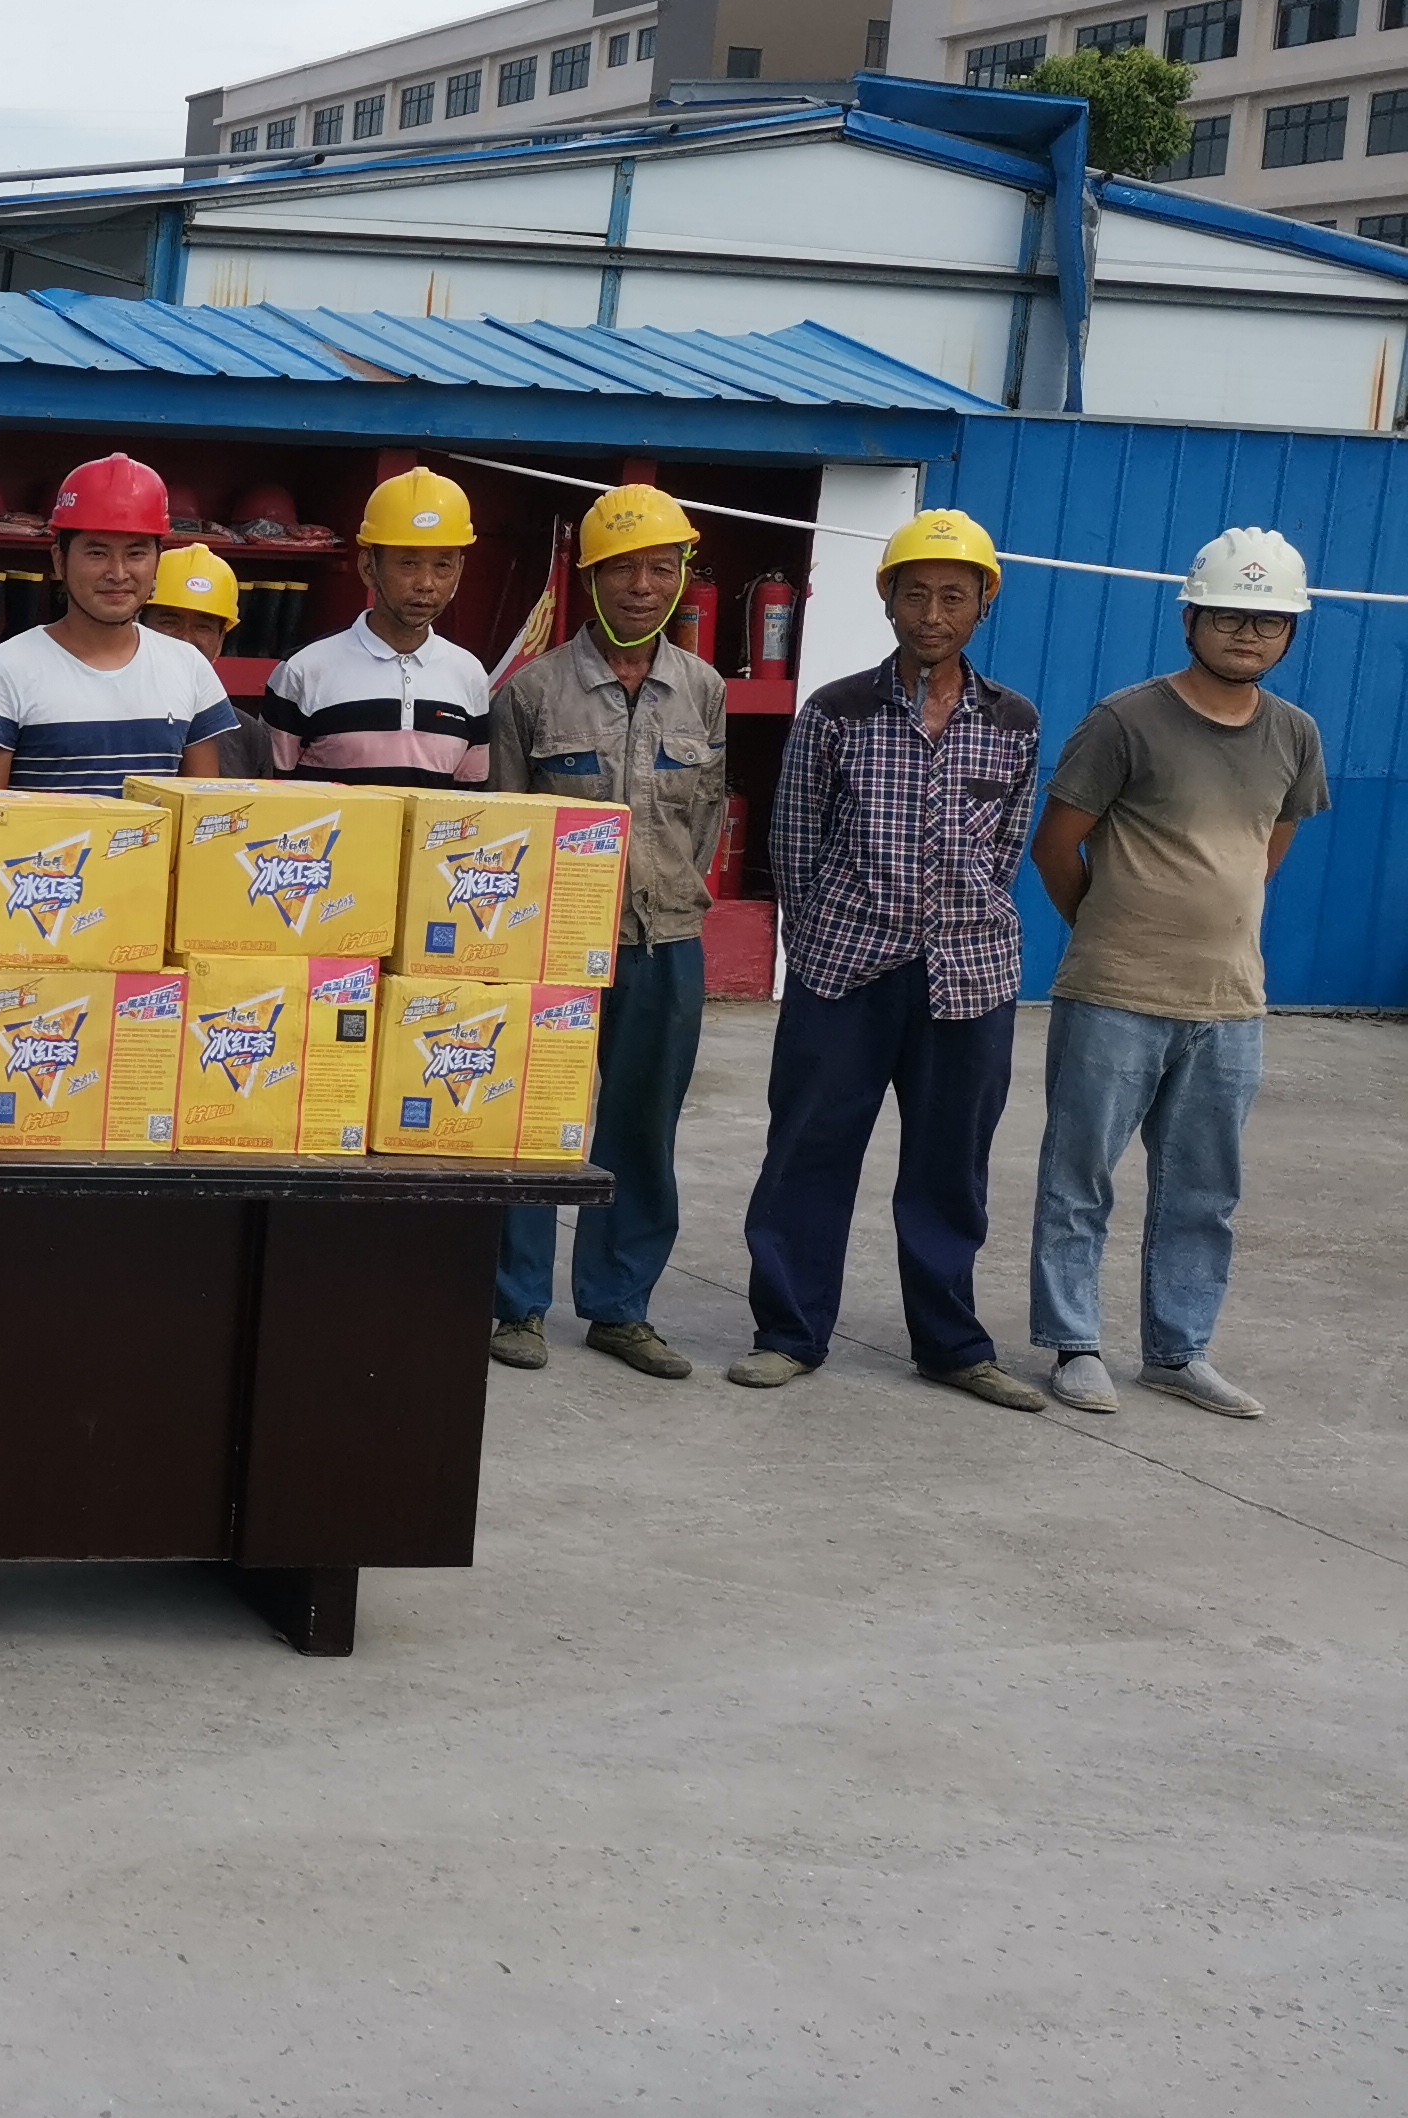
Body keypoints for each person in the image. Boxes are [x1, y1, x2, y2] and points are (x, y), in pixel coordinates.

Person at [733, 509, 1046, 1411]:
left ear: (984, 603)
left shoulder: (1013, 721)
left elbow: (1007, 848)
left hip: (969, 976)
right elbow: (795, 841)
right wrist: (819, 946)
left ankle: (951, 1345)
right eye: (915, 595)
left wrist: (958, 922)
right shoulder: (837, 712)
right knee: (808, 1152)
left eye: (953, 596)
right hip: (845, 973)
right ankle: (789, 1333)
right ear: (888, 601)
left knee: (951, 1167)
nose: (932, 614)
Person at [1024, 527, 1329, 1419]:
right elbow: (1055, 848)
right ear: (1190, 618)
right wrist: (1114, 929)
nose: (1247, 634)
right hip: (1114, 994)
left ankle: (1178, 1350)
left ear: (1290, 633)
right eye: (1228, 615)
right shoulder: (1125, 721)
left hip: (1229, 1003)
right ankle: (1074, 1344)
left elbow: (1267, 852)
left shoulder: (1295, 735)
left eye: (1268, 621)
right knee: (1080, 1177)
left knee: (1204, 1192)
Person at [487, 483, 726, 1380]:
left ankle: (621, 1308)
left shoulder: (702, 690)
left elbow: (706, 818)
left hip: (665, 944)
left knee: (641, 1128)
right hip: (549, 948)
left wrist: (670, 897)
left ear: (682, 577)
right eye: (622, 570)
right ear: (587, 579)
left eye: (661, 569)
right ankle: (516, 1305)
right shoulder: (532, 693)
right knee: (533, 1124)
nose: (642, 587)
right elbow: (504, 824)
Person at [0, 455, 237, 794]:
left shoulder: (190, 669)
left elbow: (200, 813)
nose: (118, 573)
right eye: (97, 553)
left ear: (157, 561)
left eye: (136, 553)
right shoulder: (3, 672)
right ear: (59, 560)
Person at [263, 467, 492, 786]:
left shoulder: (470, 676)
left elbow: (470, 800)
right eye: (409, 563)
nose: (426, 584)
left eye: (443, 565)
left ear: (459, 570)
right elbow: (268, 791)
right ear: (368, 567)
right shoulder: (303, 671)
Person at [137, 542, 265, 777]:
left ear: (220, 641)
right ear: (138, 625)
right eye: (169, 621)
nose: (186, 637)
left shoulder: (246, 734)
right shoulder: (112, 717)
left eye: (203, 626)